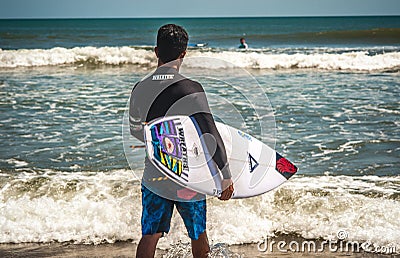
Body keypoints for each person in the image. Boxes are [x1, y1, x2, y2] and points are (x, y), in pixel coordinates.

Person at [129, 24, 234, 258]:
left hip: (154, 172)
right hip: (187, 176)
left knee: (150, 235)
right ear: (184, 53)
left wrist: (161, 145)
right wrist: (225, 174)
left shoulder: (140, 88)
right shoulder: (191, 88)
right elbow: (210, 134)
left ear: (156, 51)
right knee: (198, 234)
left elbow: (136, 130)